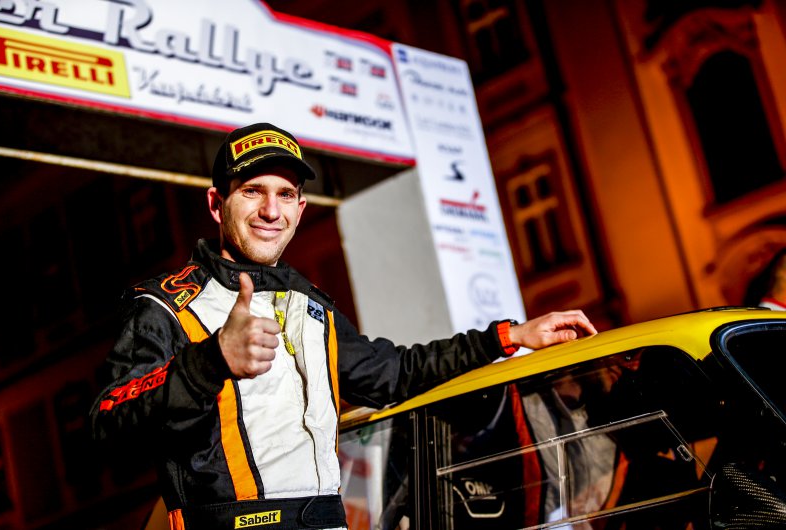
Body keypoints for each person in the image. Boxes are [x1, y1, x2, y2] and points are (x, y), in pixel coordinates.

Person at [90, 122, 597, 530]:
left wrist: (508, 337)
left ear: (301, 209)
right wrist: (210, 361)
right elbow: (108, 424)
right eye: (252, 191)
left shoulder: (312, 305)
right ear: (216, 203)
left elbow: (395, 373)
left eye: (286, 194)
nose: (271, 210)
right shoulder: (163, 306)